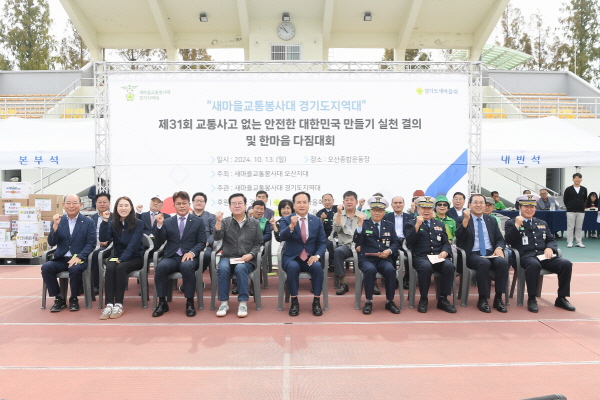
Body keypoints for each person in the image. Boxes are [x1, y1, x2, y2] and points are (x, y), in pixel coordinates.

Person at [505, 195, 575, 313]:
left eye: (532, 207)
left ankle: (562, 298)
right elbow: (508, 241)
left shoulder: (541, 222)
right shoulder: (511, 223)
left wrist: (550, 248)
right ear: (520, 208)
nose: (529, 209)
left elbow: (551, 239)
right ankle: (532, 298)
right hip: (525, 257)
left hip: (543, 256)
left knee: (566, 264)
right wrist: (517, 225)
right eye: (526, 207)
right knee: (533, 265)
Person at [152, 191, 207, 318]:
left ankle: (189, 302)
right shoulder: (167, 221)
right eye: (178, 203)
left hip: (189, 257)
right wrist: (159, 225)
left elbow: (202, 242)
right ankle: (162, 302)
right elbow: (159, 241)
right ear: (174, 206)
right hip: (172, 256)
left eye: (184, 203)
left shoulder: (198, 221)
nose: (182, 206)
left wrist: (192, 252)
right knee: (160, 267)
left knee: (187, 267)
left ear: (189, 205)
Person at [41, 194, 96, 312]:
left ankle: (74, 298)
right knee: (46, 267)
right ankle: (59, 298)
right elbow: (51, 242)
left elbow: (91, 243)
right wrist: (55, 227)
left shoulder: (88, 222)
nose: (71, 206)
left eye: (75, 203)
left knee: (75, 269)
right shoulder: (58, 221)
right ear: (63, 205)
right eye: (68, 203)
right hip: (62, 258)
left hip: (79, 258)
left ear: (80, 205)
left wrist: (80, 257)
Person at [455, 194, 509, 313]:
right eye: (475, 202)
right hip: (472, 254)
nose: (478, 205)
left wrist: (499, 247)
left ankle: (498, 298)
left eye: (481, 203)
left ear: (485, 205)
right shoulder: (462, 219)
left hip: (490, 253)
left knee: (503, 263)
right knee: (483, 263)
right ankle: (483, 299)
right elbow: (459, 237)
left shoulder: (491, 220)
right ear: (469, 205)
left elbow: (500, 238)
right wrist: (465, 221)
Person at [213, 193, 263, 318]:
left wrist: (251, 254)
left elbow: (259, 243)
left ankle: (242, 302)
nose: (237, 206)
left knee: (241, 268)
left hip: (247, 260)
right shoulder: (225, 222)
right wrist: (218, 222)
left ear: (245, 205)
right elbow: (217, 237)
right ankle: (224, 303)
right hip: (228, 257)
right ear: (230, 207)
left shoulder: (254, 223)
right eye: (234, 204)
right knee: (223, 268)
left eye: (240, 203)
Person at [405, 196, 457, 314]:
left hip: (437, 257)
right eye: (423, 208)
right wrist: (417, 226)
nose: (426, 211)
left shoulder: (439, 224)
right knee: (425, 267)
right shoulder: (410, 223)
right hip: (420, 257)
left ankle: (443, 299)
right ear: (418, 209)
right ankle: (424, 299)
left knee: (449, 266)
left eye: (429, 208)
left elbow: (446, 242)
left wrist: (445, 251)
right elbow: (409, 241)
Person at [279, 191, 327, 317]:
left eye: (304, 202)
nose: (302, 205)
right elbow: (282, 237)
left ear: (309, 204)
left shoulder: (316, 221)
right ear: (294, 204)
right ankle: (294, 301)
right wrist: (291, 226)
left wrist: (317, 256)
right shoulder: (286, 219)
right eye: (298, 202)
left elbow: (322, 242)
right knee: (292, 267)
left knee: (317, 267)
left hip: (310, 257)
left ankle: (316, 301)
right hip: (292, 257)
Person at [98, 196, 144, 320]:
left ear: (131, 208)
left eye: (126, 205)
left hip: (135, 257)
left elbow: (133, 245)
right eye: (120, 205)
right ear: (116, 208)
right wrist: (105, 220)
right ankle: (109, 304)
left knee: (120, 268)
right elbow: (103, 239)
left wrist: (123, 259)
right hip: (118, 256)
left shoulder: (138, 223)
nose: (123, 208)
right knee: (110, 266)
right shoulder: (113, 223)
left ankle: (118, 304)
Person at [353, 196, 401, 315]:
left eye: (380, 211)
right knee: (370, 270)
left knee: (390, 270)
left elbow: (396, 243)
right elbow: (357, 241)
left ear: (384, 212)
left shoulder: (389, 225)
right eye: (374, 210)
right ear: (370, 211)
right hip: (367, 258)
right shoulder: (364, 224)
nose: (377, 213)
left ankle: (390, 301)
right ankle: (368, 301)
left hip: (384, 258)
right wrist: (359, 225)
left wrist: (389, 251)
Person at [331, 191, 362, 296]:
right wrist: (339, 214)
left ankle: (372, 282)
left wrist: (361, 245)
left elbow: (366, 233)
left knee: (372, 251)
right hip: (345, 246)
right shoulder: (337, 215)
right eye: (347, 200)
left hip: (359, 246)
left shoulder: (362, 215)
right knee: (338, 252)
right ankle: (343, 283)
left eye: (352, 200)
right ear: (343, 202)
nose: (349, 202)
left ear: (356, 202)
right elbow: (336, 230)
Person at [383, 195, 414, 290]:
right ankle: (393, 279)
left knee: (412, 255)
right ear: (392, 205)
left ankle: (406, 279)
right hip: (392, 242)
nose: (398, 205)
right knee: (390, 254)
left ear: (403, 204)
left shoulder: (410, 217)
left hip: (405, 242)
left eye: (400, 202)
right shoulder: (386, 217)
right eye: (395, 203)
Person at [89, 193, 112, 294]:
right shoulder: (91, 218)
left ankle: (96, 284)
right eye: (99, 202)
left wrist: (108, 242)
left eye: (104, 202)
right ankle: (82, 284)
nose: (102, 204)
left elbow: (118, 234)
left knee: (96, 254)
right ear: (96, 203)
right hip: (93, 244)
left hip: (108, 247)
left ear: (109, 203)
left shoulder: (115, 217)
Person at [191, 192, 216, 272]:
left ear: (205, 203)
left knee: (207, 255)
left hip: (205, 245)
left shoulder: (211, 217)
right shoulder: (188, 216)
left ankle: (198, 272)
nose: (199, 203)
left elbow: (214, 233)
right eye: (197, 201)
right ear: (192, 202)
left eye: (201, 201)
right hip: (190, 245)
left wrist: (207, 242)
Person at [563, 173, 587, 248]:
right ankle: (570, 241)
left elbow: (584, 199)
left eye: (579, 178)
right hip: (571, 211)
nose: (577, 179)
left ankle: (579, 241)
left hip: (581, 211)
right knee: (570, 227)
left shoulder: (584, 189)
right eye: (576, 178)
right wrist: (569, 206)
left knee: (579, 227)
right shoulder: (568, 189)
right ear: (573, 179)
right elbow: (565, 200)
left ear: (581, 179)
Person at [316, 193, 337, 271]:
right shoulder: (320, 213)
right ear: (322, 202)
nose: (327, 202)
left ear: (333, 201)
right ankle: (331, 263)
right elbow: (318, 228)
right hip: (326, 235)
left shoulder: (339, 209)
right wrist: (322, 219)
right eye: (325, 200)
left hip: (339, 234)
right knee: (328, 243)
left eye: (329, 200)